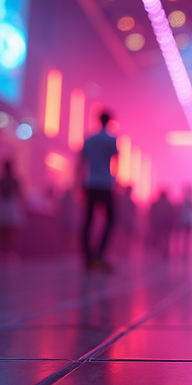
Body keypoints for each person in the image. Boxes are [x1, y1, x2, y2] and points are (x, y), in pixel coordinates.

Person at [77, 111, 120, 271]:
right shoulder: (111, 140)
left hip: (90, 183)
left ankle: (88, 257)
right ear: (109, 121)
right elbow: (116, 162)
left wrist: (79, 185)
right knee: (111, 220)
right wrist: (115, 181)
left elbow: (81, 163)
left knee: (88, 220)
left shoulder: (89, 139)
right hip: (106, 185)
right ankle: (99, 254)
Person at [0, 160, 25, 264]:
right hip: (6, 205)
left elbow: (19, 193)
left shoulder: (10, 180)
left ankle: (10, 254)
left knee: (9, 232)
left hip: (9, 205)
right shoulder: (2, 180)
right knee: (4, 232)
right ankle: (2, 254)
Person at [177, 184, 192, 256]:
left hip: (188, 221)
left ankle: (185, 251)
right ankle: (183, 251)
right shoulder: (184, 202)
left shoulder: (187, 202)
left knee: (186, 237)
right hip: (184, 220)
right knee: (184, 237)